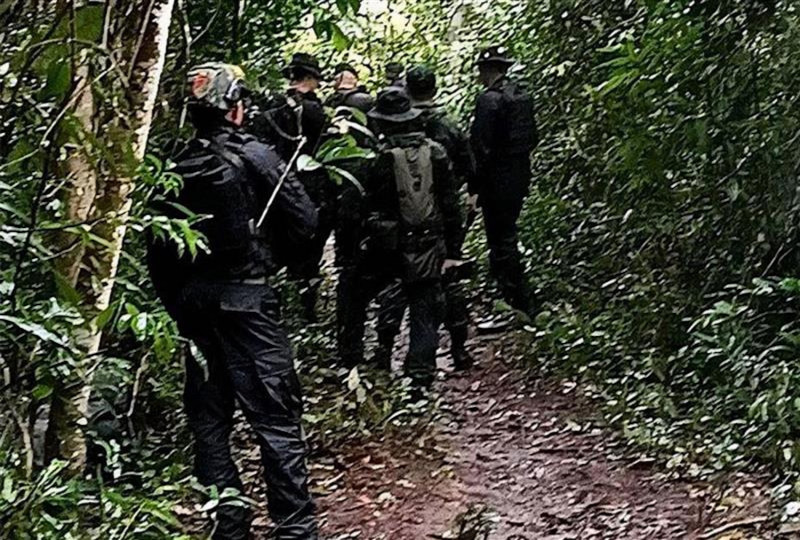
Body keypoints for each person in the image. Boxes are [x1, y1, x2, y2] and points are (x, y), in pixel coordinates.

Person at [146, 63, 319, 540]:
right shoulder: (257, 156)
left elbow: (157, 249)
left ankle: (230, 522)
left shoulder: (175, 165)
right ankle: (295, 528)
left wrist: (179, 304)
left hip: (196, 306)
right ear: (237, 106)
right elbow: (305, 221)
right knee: (275, 418)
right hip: (247, 305)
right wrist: (267, 259)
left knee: (209, 418)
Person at [337, 88, 463, 386]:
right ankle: (420, 377)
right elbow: (450, 205)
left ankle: (351, 362)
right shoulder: (435, 152)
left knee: (354, 295)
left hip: (382, 247)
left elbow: (352, 209)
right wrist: (453, 249)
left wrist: (347, 251)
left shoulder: (374, 160)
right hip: (427, 242)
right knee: (425, 306)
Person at [371, 65, 476, 370]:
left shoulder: (382, 156)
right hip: (433, 229)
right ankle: (438, 362)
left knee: (392, 291)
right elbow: (464, 180)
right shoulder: (444, 134)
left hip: (393, 237)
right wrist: (455, 246)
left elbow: (372, 202)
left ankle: (383, 353)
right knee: (432, 298)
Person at [247, 52, 330, 322]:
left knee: (273, 247)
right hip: (302, 189)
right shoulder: (313, 110)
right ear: (309, 79)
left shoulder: (270, 106)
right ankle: (306, 311)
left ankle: (276, 307)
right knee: (306, 253)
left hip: (269, 186)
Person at [470, 45, 538, 313]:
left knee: (501, 242)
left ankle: (518, 304)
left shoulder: (489, 100)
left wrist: (473, 187)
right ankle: (511, 299)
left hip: (496, 181)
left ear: (485, 70)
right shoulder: (520, 95)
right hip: (518, 176)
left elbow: (481, 147)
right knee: (505, 237)